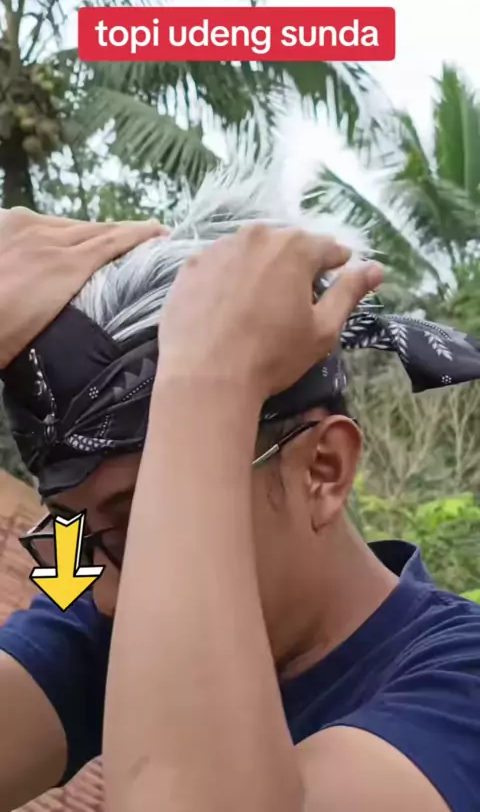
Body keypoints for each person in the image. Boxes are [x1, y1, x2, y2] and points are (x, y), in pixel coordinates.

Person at [0, 168, 479, 812]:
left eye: (144, 524)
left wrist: (209, 385)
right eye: (73, 529)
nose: (105, 597)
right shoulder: (96, 618)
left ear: (322, 469)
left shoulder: (458, 687)